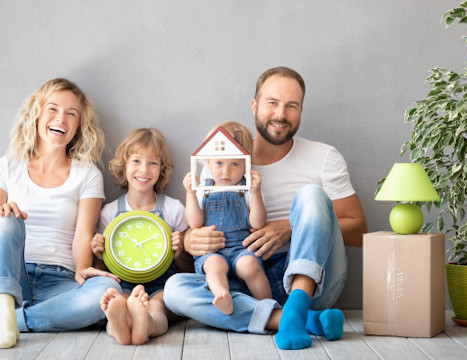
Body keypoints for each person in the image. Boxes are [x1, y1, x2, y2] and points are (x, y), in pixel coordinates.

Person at [164, 67, 367, 350]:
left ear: (300, 110)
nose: (280, 114)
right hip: (244, 279)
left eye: (291, 106)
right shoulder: (226, 163)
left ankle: (298, 305)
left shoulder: (324, 157)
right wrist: (188, 239)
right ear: (255, 105)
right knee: (174, 290)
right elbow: (195, 223)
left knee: (310, 194)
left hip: (312, 280)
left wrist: (290, 227)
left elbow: (358, 229)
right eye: (272, 103)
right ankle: (296, 320)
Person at [0, 78, 120, 349]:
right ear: (36, 114)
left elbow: (83, 235)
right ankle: (4, 311)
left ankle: (0, 322)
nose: (61, 118)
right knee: (4, 219)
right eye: (53, 108)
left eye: (72, 113)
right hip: (8, 278)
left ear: (78, 126)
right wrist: (3, 216)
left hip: (60, 282)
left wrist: (85, 269)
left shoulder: (87, 174)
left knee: (109, 293)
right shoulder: (4, 167)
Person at [91, 128, 192, 345]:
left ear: (161, 169)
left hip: (164, 283)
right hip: (123, 283)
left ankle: (146, 324)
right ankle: (119, 324)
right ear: (124, 165)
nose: (143, 170)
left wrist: (180, 252)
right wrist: (99, 255)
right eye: (136, 161)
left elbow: (189, 270)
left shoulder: (173, 209)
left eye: (153, 163)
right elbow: (103, 271)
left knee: (157, 306)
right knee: (119, 301)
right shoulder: (109, 212)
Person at [183, 122, 269, 315]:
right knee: (214, 265)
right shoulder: (204, 187)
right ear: (208, 163)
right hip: (213, 250)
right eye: (219, 163)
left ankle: (268, 306)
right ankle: (223, 297)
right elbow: (195, 223)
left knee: (250, 265)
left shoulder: (247, 187)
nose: (226, 172)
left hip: (241, 247)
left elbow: (258, 223)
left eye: (235, 164)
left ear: (246, 163)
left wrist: (256, 194)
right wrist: (190, 194)